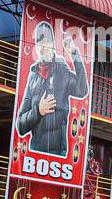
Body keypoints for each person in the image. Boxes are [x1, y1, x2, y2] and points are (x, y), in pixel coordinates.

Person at [15, 22, 88, 156]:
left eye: (47, 41)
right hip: (35, 156)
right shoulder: (33, 76)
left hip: (58, 157)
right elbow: (20, 125)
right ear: (36, 46)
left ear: (53, 44)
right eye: (39, 41)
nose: (44, 46)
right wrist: (38, 110)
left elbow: (82, 89)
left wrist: (74, 54)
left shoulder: (62, 69)